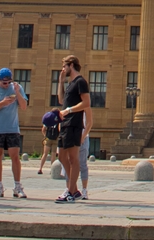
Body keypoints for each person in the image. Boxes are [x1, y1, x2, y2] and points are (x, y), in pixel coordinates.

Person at [0, 68, 28, 198]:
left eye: (8, 82)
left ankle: (17, 186)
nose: (6, 84)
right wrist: (3, 103)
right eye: (4, 82)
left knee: (15, 156)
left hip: (12, 128)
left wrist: (17, 92)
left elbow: (24, 106)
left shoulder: (17, 87)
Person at [54, 54, 90, 203]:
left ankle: (70, 191)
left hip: (74, 124)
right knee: (62, 157)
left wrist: (68, 111)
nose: (63, 69)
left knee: (73, 159)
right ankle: (73, 189)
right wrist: (61, 82)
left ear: (71, 65)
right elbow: (61, 100)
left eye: (64, 66)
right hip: (64, 124)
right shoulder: (70, 83)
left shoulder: (81, 82)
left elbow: (86, 103)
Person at [38, 109, 60, 173]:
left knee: (45, 154)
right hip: (55, 139)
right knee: (53, 155)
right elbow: (60, 130)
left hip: (48, 138)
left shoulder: (48, 119)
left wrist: (45, 136)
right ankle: (52, 170)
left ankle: (40, 168)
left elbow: (43, 129)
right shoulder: (58, 120)